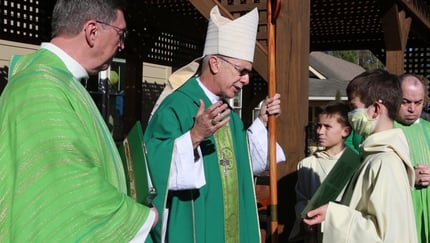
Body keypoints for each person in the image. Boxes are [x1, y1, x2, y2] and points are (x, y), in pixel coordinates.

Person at [0, 0, 157, 241]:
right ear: (92, 31)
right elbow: (67, 190)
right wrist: (140, 219)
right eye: (120, 33)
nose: (122, 44)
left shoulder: (56, 80)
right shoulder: (41, 88)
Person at [143, 6, 285, 243]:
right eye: (242, 71)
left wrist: (262, 121)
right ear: (216, 63)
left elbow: (242, 165)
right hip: (195, 229)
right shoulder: (177, 106)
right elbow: (150, 165)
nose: (247, 79)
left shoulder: (229, 114)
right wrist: (194, 136)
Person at [303, 69, 418, 242]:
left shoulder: (386, 163)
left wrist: (333, 215)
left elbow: (385, 236)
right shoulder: (374, 156)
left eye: (354, 108)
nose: (351, 115)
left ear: (376, 109)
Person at [289, 102, 353, 242]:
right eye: (319, 126)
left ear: (345, 131)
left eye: (327, 127)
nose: (320, 131)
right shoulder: (307, 164)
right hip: (314, 234)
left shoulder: (354, 164)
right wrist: (306, 218)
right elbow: (301, 200)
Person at [395, 74, 430, 243]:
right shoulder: (383, 129)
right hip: (400, 212)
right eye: (405, 101)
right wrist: (408, 177)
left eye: (418, 103)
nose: (412, 109)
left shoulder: (429, 129)